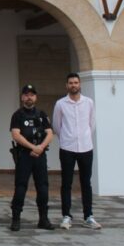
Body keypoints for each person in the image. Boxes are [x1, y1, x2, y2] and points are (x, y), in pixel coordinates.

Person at [53, 72, 101, 229]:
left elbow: (92, 124)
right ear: (66, 85)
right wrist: (68, 138)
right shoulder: (60, 104)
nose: (73, 85)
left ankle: (89, 216)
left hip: (86, 148)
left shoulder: (89, 103)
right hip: (67, 148)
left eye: (76, 82)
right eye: (70, 83)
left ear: (80, 84)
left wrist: (84, 137)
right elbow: (56, 126)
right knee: (66, 183)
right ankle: (66, 216)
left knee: (86, 182)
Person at [9, 84, 54, 231]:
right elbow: (16, 135)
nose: (29, 97)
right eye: (27, 94)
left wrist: (40, 147)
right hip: (24, 155)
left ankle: (43, 219)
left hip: (40, 155)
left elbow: (49, 133)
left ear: (36, 97)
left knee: (43, 187)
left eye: (32, 94)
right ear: (22, 97)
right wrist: (32, 147)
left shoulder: (41, 114)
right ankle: (16, 219)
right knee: (21, 187)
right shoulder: (18, 115)